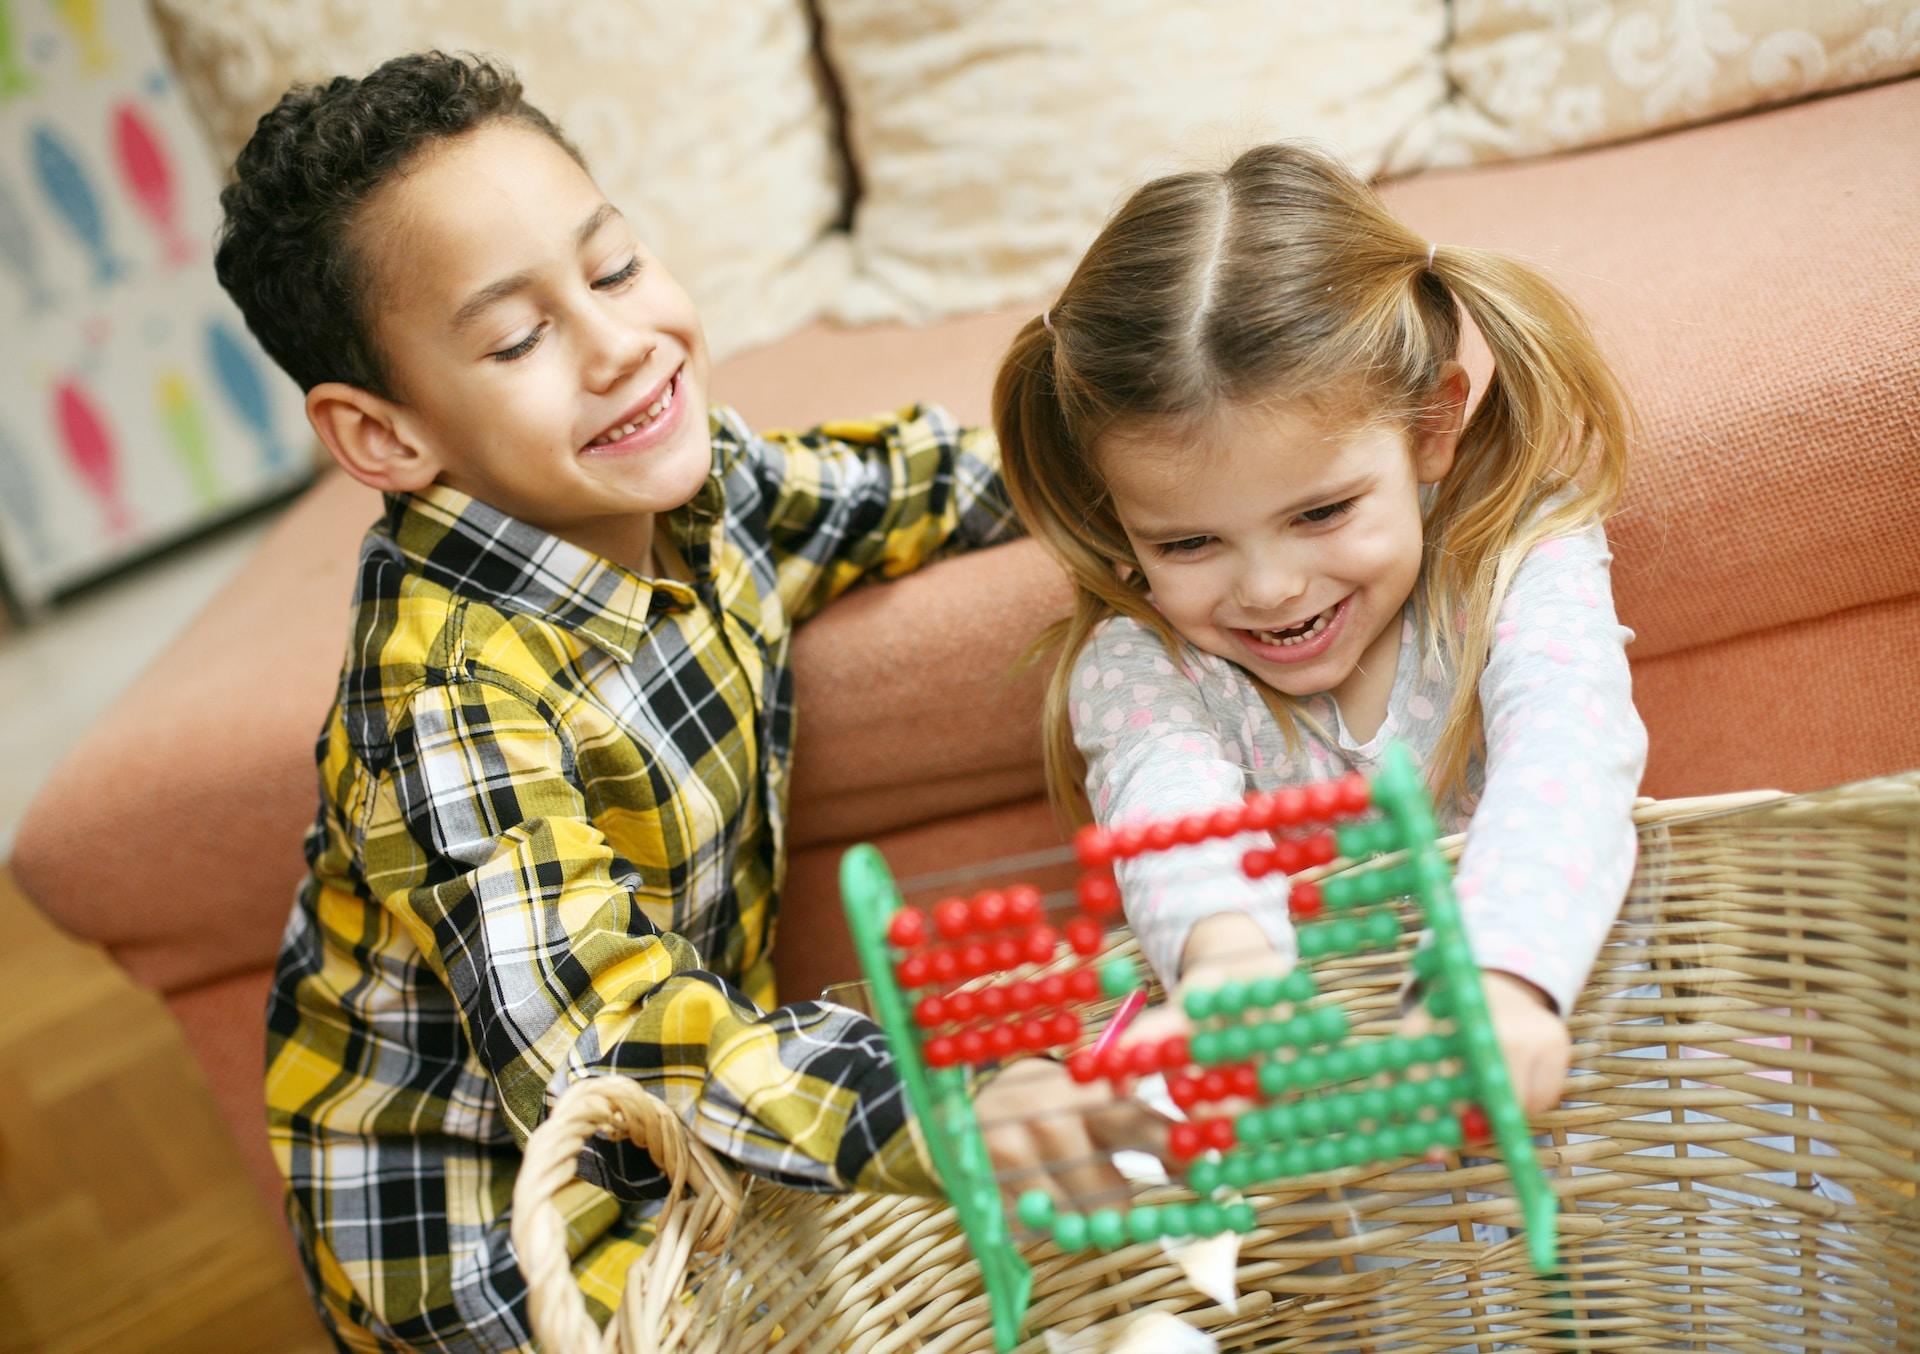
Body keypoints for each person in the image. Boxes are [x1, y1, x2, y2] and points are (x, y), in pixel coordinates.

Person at [215, 51, 1141, 1350]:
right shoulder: (446, 703)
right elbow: (608, 1036)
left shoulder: (705, 501)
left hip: (681, 1146)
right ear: (385, 437)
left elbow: (911, 484)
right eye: (520, 337)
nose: (619, 345)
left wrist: (1142, 452)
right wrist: (940, 1102)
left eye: (613, 269)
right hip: (497, 1256)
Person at [993, 142, 1648, 1119]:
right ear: (1116, 513)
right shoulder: (1146, 666)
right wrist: (1227, 974)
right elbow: (1171, 827)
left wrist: (1500, 977)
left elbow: (1569, 748)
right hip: (1363, 1205)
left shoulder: (1516, 559)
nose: (1270, 587)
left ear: (1432, 427)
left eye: (1322, 513)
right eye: (1188, 541)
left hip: (1610, 1101)